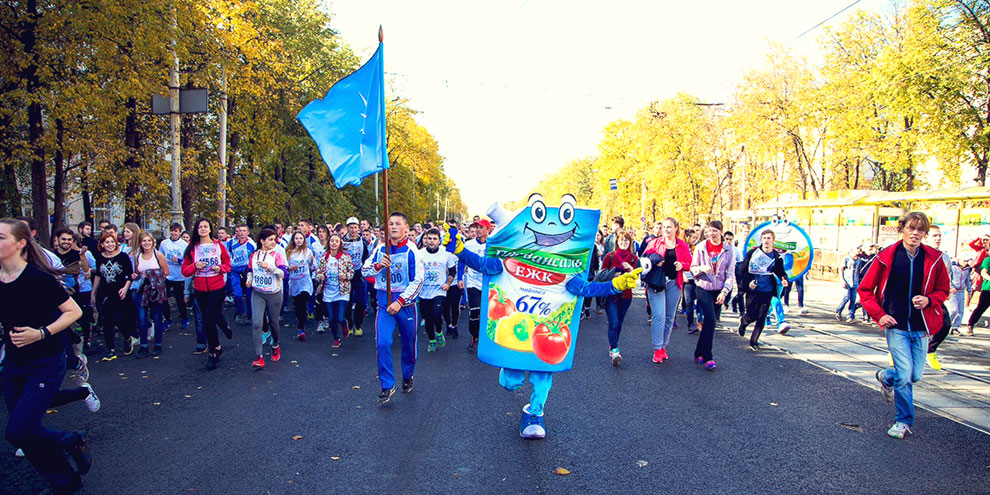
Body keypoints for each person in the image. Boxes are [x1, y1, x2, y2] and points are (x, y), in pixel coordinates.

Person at [0, 218, 91, 494]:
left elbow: (74, 312)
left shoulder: (37, 279)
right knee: (23, 432)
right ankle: (65, 480)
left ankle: (71, 439)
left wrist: (40, 333)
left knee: (16, 432)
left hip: (46, 362)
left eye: (1, 237)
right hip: (14, 363)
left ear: (20, 244)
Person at [859, 212, 949, 439]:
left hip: (921, 326)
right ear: (903, 229)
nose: (916, 233)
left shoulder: (935, 258)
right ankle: (903, 421)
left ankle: (886, 377)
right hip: (896, 325)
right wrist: (880, 315)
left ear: (925, 234)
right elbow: (865, 290)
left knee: (914, 375)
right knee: (906, 375)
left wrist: (930, 300)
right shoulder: (886, 257)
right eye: (912, 228)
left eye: (921, 230)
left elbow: (943, 290)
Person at [362, 212, 424, 403]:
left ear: (406, 228)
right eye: (390, 224)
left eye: (398, 224)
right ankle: (387, 385)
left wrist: (401, 301)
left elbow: (418, 281)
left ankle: (408, 374)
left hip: (405, 305)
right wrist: (379, 266)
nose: (394, 227)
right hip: (384, 303)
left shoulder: (412, 251)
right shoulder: (380, 249)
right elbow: (364, 271)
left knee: (408, 343)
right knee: (383, 342)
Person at [181, 218, 232, 371]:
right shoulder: (192, 248)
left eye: (206, 227)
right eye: (200, 227)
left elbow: (228, 265)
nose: (203, 229)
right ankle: (222, 327)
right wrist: (195, 266)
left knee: (208, 320)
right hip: (200, 289)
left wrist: (220, 268)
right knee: (209, 318)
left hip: (217, 287)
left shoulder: (218, 246)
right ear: (196, 230)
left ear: (210, 229)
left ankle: (213, 352)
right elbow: (185, 271)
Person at [640, 217, 692, 364]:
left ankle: (663, 346)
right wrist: (654, 262)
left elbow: (690, 263)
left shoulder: (682, 245)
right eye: (664, 227)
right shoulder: (654, 243)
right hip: (657, 284)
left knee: (669, 317)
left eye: (669, 227)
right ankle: (657, 348)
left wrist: (682, 265)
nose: (666, 230)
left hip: (674, 283)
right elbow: (643, 260)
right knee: (659, 316)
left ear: (676, 228)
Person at [690, 220, 736, 370]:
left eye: (715, 231)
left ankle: (698, 352)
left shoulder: (728, 250)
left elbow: (730, 274)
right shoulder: (701, 247)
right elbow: (693, 268)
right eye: (710, 230)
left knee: (711, 322)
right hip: (703, 286)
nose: (712, 233)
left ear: (721, 232)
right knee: (710, 319)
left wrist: (725, 292)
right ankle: (708, 357)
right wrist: (702, 268)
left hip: (719, 289)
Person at [736, 230, 790, 351]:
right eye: (764, 238)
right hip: (753, 290)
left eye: (769, 238)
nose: (766, 240)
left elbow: (780, 271)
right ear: (761, 240)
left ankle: (753, 341)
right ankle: (744, 322)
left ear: (773, 241)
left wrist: (784, 279)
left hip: (767, 290)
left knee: (762, 317)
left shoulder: (776, 256)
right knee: (752, 315)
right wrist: (749, 282)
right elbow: (743, 271)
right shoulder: (753, 253)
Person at [245, 228, 287, 369]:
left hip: (274, 293)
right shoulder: (254, 255)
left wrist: (270, 267)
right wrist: (249, 279)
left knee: (274, 323)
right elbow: (250, 270)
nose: (273, 242)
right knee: (257, 323)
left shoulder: (277, 255)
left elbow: (283, 274)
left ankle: (275, 345)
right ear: (262, 241)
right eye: (270, 239)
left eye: (274, 239)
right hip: (258, 293)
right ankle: (259, 356)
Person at [91, 231, 137, 361]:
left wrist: (125, 288)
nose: (110, 244)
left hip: (120, 291)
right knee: (107, 320)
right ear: (102, 244)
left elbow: (129, 275)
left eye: (112, 241)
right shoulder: (100, 257)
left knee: (118, 318)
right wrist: (93, 293)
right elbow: (99, 275)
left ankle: (127, 336)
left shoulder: (122, 256)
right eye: (107, 242)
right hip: (105, 292)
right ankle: (110, 349)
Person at [600, 231, 640, 366]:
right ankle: (615, 350)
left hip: (626, 295)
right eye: (621, 240)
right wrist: (613, 275)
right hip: (611, 294)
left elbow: (638, 276)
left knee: (620, 323)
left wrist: (631, 270)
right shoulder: (610, 256)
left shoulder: (634, 258)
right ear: (617, 242)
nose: (624, 243)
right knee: (614, 322)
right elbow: (602, 274)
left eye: (626, 241)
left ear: (630, 243)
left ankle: (612, 344)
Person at [418, 228, 456, 352]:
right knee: (427, 318)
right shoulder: (420, 254)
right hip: (424, 292)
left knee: (436, 314)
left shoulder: (446, 253)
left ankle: (439, 332)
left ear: (439, 240)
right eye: (429, 238)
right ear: (425, 240)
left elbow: (452, 271)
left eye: (435, 239)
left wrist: (448, 283)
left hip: (439, 290)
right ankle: (432, 340)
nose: (432, 241)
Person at [132, 233, 169, 358]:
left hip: (156, 290)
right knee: (142, 319)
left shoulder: (158, 255)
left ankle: (158, 344)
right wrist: (135, 276)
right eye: (144, 241)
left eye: (149, 240)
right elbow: (137, 273)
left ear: (153, 242)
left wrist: (152, 274)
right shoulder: (138, 256)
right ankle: (144, 346)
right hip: (143, 290)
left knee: (157, 318)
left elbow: (166, 272)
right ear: (140, 243)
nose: (146, 243)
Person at [316, 233, 354, 349]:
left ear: (340, 243)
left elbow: (352, 273)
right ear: (329, 242)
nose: (334, 243)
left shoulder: (345, 257)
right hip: (328, 291)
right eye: (332, 241)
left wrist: (345, 276)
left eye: (336, 241)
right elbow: (319, 272)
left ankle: (344, 324)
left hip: (342, 291)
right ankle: (336, 339)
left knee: (340, 317)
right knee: (331, 318)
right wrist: (320, 276)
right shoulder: (324, 258)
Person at [463, 219, 492, 352]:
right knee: (474, 312)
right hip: (473, 282)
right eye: (477, 227)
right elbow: (462, 259)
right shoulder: (469, 244)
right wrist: (459, 278)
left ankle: (486, 339)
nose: (478, 230)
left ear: (488, 229)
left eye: (481, 227)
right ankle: (474, 336)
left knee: (488, 314)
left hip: (488, 283)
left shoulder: (494, 244)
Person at [286, 231, 316, 341]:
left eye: (301, 238)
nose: (299, 240)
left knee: (303, 301)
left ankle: (301, 328)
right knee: (298, 306)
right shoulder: (289, 252)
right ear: (293, 240)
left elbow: (313, 265)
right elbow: (284, 267)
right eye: (296, 238)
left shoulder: (308, 252)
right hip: (294, 282)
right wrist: (290, 268)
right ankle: (300, 321)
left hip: (305, 282)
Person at [159, 223, 190, 330]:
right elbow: (160, 256)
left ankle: (184, 318)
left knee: (180, 299)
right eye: (172, 231)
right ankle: (167, 319)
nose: (173, 233)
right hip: (167, 275)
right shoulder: (164, 243)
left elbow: (188, 261)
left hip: (179, 276)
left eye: (176, 231)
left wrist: (179, 260)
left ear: (180, 232)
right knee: (164, 298)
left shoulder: (184, 245)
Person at [343, 217, 370, 337]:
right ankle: (349, 323)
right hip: (346, 275)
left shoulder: (362, 241)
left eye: (355, 227)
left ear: (358, 228)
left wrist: (365, 270)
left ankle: (358, 325)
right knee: (347, 301)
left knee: (360, 301)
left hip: (359, 274)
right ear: (347, 228)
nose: (353, 230)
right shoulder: (342, 241)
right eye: (351, 227)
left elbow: (366, 257)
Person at [227, 224, 256, 324]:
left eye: (244, 231)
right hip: (235, 270)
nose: (241, 233)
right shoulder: (231, 243)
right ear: (236, 233)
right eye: (239, 231)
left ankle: (250, 315)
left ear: (248, 233)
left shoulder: (252, 244)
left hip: (247, 270)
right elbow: (226, 255)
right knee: (237, 293)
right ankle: (240, 312)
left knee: (249, 293)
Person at [835, 246, 863, 322]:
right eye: (858, 249)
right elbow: (841, 269)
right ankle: (839, 309)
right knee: (847, 296)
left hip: (855, 282)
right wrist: (842, 280)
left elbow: (859, 271)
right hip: (847, 281)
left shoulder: (859, 260)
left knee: (853, 299)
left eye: (860, 250)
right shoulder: (846, 258)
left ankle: (850, 315)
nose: (859, 251)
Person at [722, 231, 743, 313]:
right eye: (726, 239)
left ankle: (741, 310)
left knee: (731, 287)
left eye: (730, 239)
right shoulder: (720, 248)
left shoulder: (735, 250)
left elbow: (740, 261)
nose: (728, 241)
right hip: (721, 272)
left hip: (732, 271)